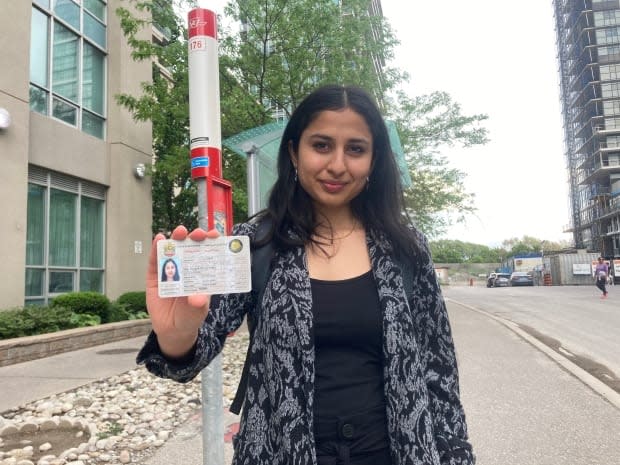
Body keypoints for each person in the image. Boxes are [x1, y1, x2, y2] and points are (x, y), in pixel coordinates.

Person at [137, 85, 474, 465]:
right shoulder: (254, 244)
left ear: (375, 159)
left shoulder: (406, 248)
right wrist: (175, 333)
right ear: (295, 151)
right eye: (322, 145)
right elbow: (194, 349)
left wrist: (457, 455)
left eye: (356, 149)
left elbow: (439, 373)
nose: (338, 165)